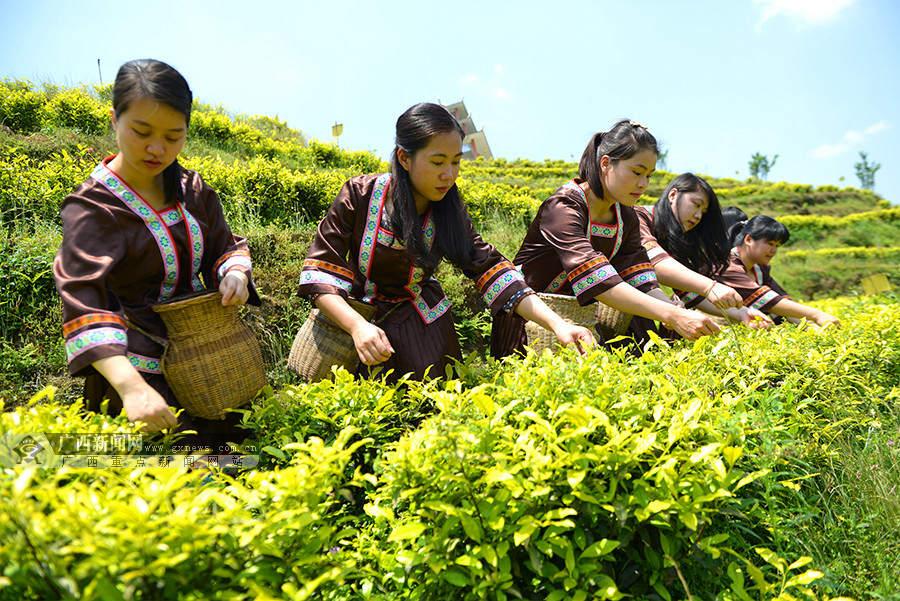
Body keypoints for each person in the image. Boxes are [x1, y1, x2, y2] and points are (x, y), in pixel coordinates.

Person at [298, 102, 595, 381]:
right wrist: (357, 326)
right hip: (356, 324)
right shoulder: (359, 195)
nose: (449, 174)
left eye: (455, 162)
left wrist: (559, 325)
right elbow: (320, 274)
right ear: (404, 158)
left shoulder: (448, 211)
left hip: (422, 334)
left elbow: (494, 272)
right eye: (438, 162)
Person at [53, 59, 258, 451]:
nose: (157, 149)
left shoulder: (191, 188)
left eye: (173, 136)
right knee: (164, 474)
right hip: (138, 373)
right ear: (114, 119)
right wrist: (132, 388)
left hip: (208, 362)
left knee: (236, 467)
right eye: (141, 132)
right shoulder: (92, 208)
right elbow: (85, 300)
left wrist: (234, 273)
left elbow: (224, 246)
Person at [491, 120, 720, 358]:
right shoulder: (564, 207)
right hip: (531, 323)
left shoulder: (626, 216)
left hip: (577, 322)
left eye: (649, 176)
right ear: (605, 164)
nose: (643, 184)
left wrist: (672, 309)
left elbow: (639, 275)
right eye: (636, 172)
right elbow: (595, 280)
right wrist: (671, 315)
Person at [633, 173, 772, 329]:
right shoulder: (638, 217)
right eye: (696, 204)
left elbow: (691, 294)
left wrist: (742, 313)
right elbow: (656, 262)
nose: (698, 215)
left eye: (703, 211)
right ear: (673, 195)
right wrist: (710, 287)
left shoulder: (674, 240)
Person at [716, 209, 840, 327]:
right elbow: (767, 301)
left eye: (777, 245)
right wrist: (817, 315)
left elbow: (780, 302)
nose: (773, 250)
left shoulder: (759, 270)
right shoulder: (727, 265)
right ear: (748, 239)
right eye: (770, 244)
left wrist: (810, 327)